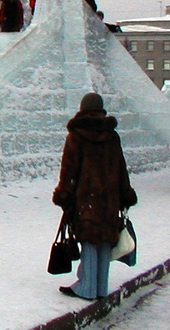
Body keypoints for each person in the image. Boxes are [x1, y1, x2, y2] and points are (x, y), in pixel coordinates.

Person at [52, 92, 137, 301]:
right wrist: (126, 194)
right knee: (105, 241)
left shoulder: (76, 135)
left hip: (86, 198)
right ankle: (100, 287)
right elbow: (121, 168)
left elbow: (69, 170)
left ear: (82, 108)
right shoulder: (112, 135)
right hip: (110, 199)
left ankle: (86, 287)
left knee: (88, 240)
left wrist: (63, 194)